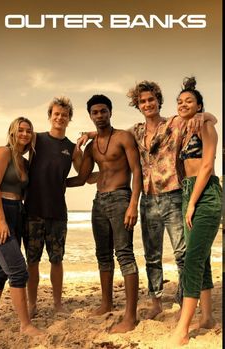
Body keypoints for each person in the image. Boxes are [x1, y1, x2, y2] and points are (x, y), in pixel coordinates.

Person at [78, 81, 217, 320]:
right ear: (137, 105)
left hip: (173, 195)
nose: (147, 104)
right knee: (152, 256)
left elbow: (209, 119)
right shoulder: (136, 131)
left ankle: (185, 300)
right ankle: (156, 302)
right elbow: (112, 133)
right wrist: (91, 134)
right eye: (142, 101)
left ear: (158, 101)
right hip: (148, 198)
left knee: (182, 253)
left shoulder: (175, 122)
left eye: (151, 100)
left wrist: (206, 116)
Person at [66, 94, 142, 333]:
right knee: (102, 254)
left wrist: (133, 205)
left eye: (103, 111)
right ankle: (106, 303)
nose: (99, 115)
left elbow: (137, 172)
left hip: (121, 198)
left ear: (110, 112)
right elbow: (82, 178)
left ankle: (130, 316)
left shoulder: (123, 137)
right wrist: (53, 182)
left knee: (124, 254)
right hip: (99, 201)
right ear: (90, 116)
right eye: (95, 112)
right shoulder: (91, 147)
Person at [23, 97, 95, 318]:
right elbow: (13, 150)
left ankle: (57, 304)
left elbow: (83, 176)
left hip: (58, 213)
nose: (60, 118)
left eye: (64, 115)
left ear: (69, 119)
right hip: (32, 212)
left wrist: (98, 170)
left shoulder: (72, 149)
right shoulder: (36, 139)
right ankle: (32, 304)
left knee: (57, 260)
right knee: (32, 261)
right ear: (50, 116)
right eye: (56, 114)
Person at [169, 77, 222, 346]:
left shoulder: (205, 125)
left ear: (199, 105)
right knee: (199, 258)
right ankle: (208, 318)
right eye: (179, 101)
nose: (183, 104)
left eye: (189, 101)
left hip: (206, 194)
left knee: (191, 260)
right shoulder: (184, 128)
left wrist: (191, 202)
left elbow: (207, 165)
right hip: (189, 192)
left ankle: (183, 328)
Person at [0, 117, 42, 336]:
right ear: (13, 131)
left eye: (29, 131)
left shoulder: (25, 161)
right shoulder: (3, 152)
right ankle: (25, 325)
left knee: (1, 268)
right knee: (19, 270)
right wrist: (0, 219)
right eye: (20, 130)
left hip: (17, 212)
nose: (25, 134)